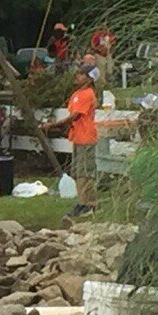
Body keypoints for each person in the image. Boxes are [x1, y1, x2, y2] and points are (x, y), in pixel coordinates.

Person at [41, 65, 99, 219]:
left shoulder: (87, 94)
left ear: (89, 78)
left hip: (86, 137)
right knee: (79, 171)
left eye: (81, 74)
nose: (77, 76)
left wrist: (53, 125)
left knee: (85, 172)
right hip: (78, 136)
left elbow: (75, 116)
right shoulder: (77, 94)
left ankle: (88, 204)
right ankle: (84, 202)